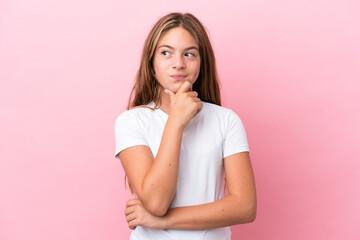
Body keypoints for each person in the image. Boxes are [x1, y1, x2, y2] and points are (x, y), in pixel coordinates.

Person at [114, 12, 257, 240]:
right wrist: (176, 121)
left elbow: (245, 207)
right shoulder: (131, 121)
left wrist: (162, 221)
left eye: (189, 54)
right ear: (151, 63)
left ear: (202, 62)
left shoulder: (226, 120)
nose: (178, 64)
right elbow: (156, 202)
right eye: (166, 53)